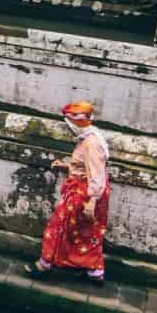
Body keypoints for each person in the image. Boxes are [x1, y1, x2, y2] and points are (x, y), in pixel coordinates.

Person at [25, 100, 109, 283]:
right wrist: (67, 166)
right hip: (87, 189)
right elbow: (86, 166)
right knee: (87, 232)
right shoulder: (90, 138)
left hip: (85, 192)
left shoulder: (91, 143)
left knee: (58, 227)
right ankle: (95, 273)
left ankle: (44, 264)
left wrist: (92, 200)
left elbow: (96, 172)